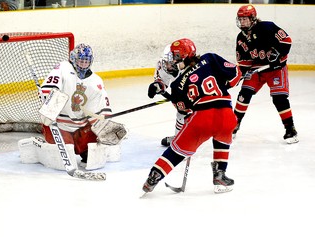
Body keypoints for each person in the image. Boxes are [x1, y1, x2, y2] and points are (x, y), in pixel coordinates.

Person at [142, 38, 242, 194]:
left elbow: (183, 110)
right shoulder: (210, 58)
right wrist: (225, 83)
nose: (173, 61)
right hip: (227, 115)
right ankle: (220, 174)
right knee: (222, 137)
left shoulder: (177, 84)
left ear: (185, 56)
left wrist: (168, 94)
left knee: (176, 151)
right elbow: (236, 75)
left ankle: (154, 176)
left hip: (202, 118)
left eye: (176, 57)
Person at [18, 43, 126, 171]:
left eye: (86, 61)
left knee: (91, 153)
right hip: (59, 123)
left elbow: (97, 111)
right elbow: (50, 89)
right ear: (74, 59)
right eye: (81, 61)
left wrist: (105, 125)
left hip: (80, 126)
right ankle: (36, 145)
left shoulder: (96, 81)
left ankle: (81, 147)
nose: (83, 64)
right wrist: (49, 105)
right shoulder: (63, 68)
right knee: (64, 155)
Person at [233, 4, 298, 144]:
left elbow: (286, 41)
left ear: (253, 18)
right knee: (244, 95)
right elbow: (244, 63)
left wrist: (276, 53)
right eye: (240, 19)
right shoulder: (241, 38)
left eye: (245, 19)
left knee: (279, 98)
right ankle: (234, 125)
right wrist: (238, 75)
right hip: (257, 69)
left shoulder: (267, 27)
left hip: (276, 68)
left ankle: (290, 129)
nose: (242, 22)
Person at [147, 44, 185, 147]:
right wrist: (157, 85)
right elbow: (162, 80)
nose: (167, 64)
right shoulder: (163, 64)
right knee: (181, 110)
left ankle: (184, 137)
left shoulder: (193, 67)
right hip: (182, 90)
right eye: (167, 60)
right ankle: (181, 137)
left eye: (171, 61)